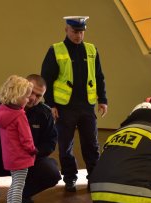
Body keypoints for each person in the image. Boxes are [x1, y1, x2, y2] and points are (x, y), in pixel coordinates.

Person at [0, 74, 61, 203]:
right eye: (31, 92)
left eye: (39, 96)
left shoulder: (45, 113)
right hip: (0, 157)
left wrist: (34, 152)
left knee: (52, 172)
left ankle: (21, 194)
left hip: (27, 159)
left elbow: (50, 142)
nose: (33, 98)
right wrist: (9, 149)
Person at [41, 16, 107, 192]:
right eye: (75, 31)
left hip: (87, 106)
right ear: (66, 30)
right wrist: (50, 105)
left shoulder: (92, 50)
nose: (78, 35)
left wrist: (103, 100)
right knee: (65, 145)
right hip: (64, 107)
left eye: (81, 32)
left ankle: (94, 178)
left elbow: (99, 76)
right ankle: (70, 178)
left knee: (92, 145)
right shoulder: (55, 50)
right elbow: (46, 78)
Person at [0, 75, 37, 203]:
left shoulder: (2, 110)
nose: (29, 99)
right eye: (26, 96)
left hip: (9, 156)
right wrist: (32, 150)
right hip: (20, 156)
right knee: (19, 186)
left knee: (14, 184)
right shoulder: (19, 115)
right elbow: (26, 138)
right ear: (18, 96)